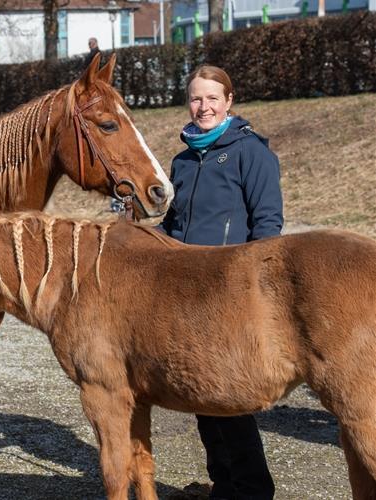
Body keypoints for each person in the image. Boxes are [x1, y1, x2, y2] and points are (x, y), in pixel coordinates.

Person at [160, 65, 281, 500]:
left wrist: (253, 289)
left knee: (228, 398)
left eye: (213, 98)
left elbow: (268, 225)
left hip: (229, 295)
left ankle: (252, 490)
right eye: (196, 98)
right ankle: (225, 486)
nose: (204, 106)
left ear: (229, 101)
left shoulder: (252, 153)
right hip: (185, 295)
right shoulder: (183, 159)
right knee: (200, 398)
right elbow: (173, 224)